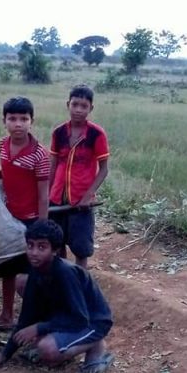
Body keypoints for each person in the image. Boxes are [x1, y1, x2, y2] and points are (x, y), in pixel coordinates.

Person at [0, 220, 114, 373]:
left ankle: (96, 346)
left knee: (47, 349)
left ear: (55, 250)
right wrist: (4, 355)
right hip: (67, 315)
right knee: (23, 284)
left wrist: (38, 328)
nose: (34, 252)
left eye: (42, 247)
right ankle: (69, 343)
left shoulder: (66, 273)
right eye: (30, 246)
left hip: (92, 321)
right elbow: (26, 317)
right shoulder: (36, 268)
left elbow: (79, 319)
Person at [0, 96, 50, 331]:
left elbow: (43, 194)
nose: (18, 124)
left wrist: (41, 228)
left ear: (32, 122)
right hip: (8, 219)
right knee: (7, 268)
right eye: (12, 119)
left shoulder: (39, 155)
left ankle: (35, 321)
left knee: (31, 274)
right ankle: (6, 315)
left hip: (30, 221)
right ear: (4, 121)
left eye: (24, 119)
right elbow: (11, 169)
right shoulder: (3, 145)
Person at [48, 85, 109, 268]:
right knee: (57, 244)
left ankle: (80, 280)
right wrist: (47, 195)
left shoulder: (96, 134)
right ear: (68, 104)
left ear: (91, 108)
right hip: (57, 199)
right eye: (75, 105)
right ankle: (62, 279)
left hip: (81, 202)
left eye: (84, 106)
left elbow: (104, 169)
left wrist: (88, 196)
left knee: (81, 248)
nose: (78, 110)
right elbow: (53, 166)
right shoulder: (58, 133)